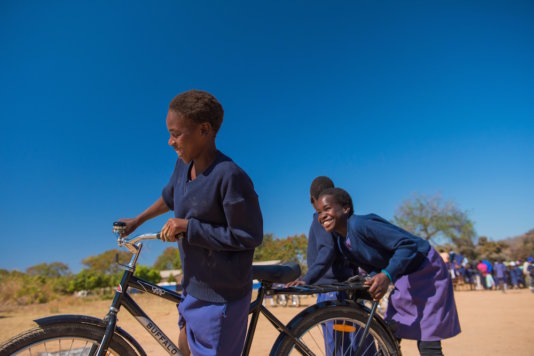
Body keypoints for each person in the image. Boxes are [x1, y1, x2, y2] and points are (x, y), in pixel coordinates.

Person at [118, 90, 263, 356]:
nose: (170, 141)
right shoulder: (182, 167)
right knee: (184, 350)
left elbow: (249, 235)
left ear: (204, 130)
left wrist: (189, 227)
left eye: (176, 133)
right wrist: (138, 220)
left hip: (221, 297)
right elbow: (169, 197)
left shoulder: (230, 176)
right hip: (193, 287)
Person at [314, 187, 461, 356]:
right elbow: (373, 265)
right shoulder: (342, 243)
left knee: (428, 338)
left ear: (346, 208)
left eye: (327, 209)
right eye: (319, 212)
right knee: (389, 333)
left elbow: (407, 245)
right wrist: (370, 279)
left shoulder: (362, 224)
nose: (322, 216)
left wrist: (387, 274)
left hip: (426, 270)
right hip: (403, 275)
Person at [286, 176, 357, 354]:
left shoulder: (320, 219)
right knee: (354, 344)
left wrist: (307, 279)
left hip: (332, 292)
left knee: (338, 348)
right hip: (348, 289)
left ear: (312, 200)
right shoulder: (342, 219)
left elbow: (327, 250)